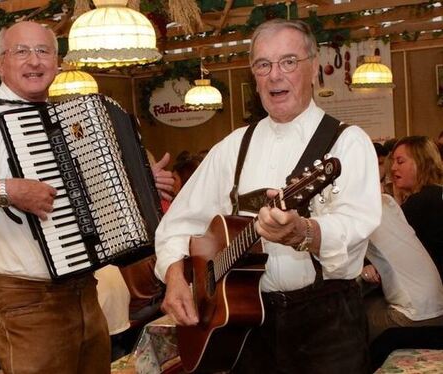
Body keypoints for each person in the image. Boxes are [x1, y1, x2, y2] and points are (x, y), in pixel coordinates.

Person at [0, 21, 174, 374]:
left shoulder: (65, 118)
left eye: (43, 51)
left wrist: (138, 183)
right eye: (21, 51)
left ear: (57, 61)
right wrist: (8, 190)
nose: (34, 61)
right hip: (25, 302)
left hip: (83, 291)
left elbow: (87, 194)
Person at [155, 19, 381, 373]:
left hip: (326, 326)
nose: (275, 75)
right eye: (264, 64)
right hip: (245, 326)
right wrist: (173, 276)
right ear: (254, 76)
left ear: (312, 69)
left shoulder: (347, 143)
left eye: (289, 61)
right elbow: (177, 224)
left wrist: (304, 232)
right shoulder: (233, 147)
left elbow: (356, 223)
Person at [361, 194, 443, 342]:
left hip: (413, 315)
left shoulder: (356, 210)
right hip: (438, 308)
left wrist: (360, 270)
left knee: (352, 319)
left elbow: (341, 265)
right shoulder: (388, 201)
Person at [390, 136, 443, 276]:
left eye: (400, 161)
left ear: (421, 163)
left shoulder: (420, 201)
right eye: (393, 161)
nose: (393, 167)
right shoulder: (437, 194)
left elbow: (391, 247)